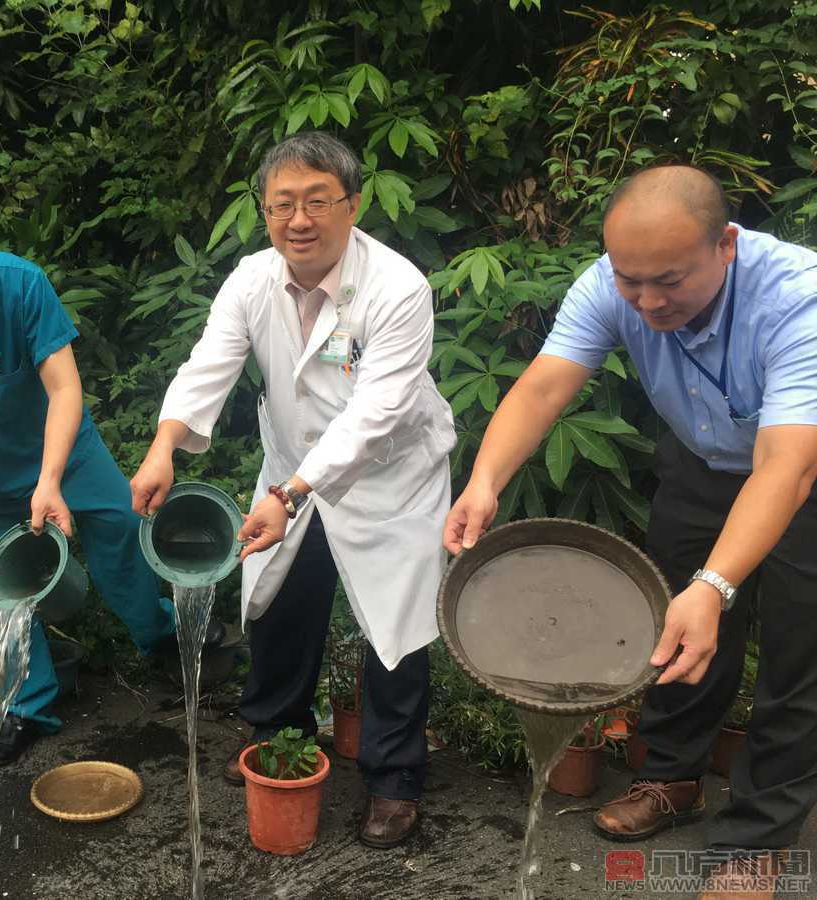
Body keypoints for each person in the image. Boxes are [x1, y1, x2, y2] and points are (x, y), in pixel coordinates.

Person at [443, 165, 817, 898]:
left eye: (668, 281)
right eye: (629, 281)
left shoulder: (799, 300)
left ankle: (757, 838)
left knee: (797, 657)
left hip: (801, 468)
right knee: (668, 620)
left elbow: (786, 467)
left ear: (727, 245)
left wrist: (718, 583)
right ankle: (672, 778)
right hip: (702, 463)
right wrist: (483, 482)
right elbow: (547, 382)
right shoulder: (610, 284)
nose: (647, 301)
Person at [130, 132, 456, 849]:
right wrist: (163, 448)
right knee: (277, 599)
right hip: (291, 468)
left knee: (393, 631)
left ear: (353, 204)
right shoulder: (252, 278)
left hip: (391, 476)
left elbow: (377, 413)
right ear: (265, 210)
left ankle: (394, 778)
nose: (298, 220)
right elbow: (208, 363)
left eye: (317, 202)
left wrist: (294, 491)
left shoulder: (397, 286)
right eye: (282, 204)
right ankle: (279, 733)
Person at [0, 191, 221, 765]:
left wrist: (49, 479)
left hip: (65, 454)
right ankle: (26, 705)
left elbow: (64, 387)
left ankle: (161, 638)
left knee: (123, 538)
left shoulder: (16, 285)